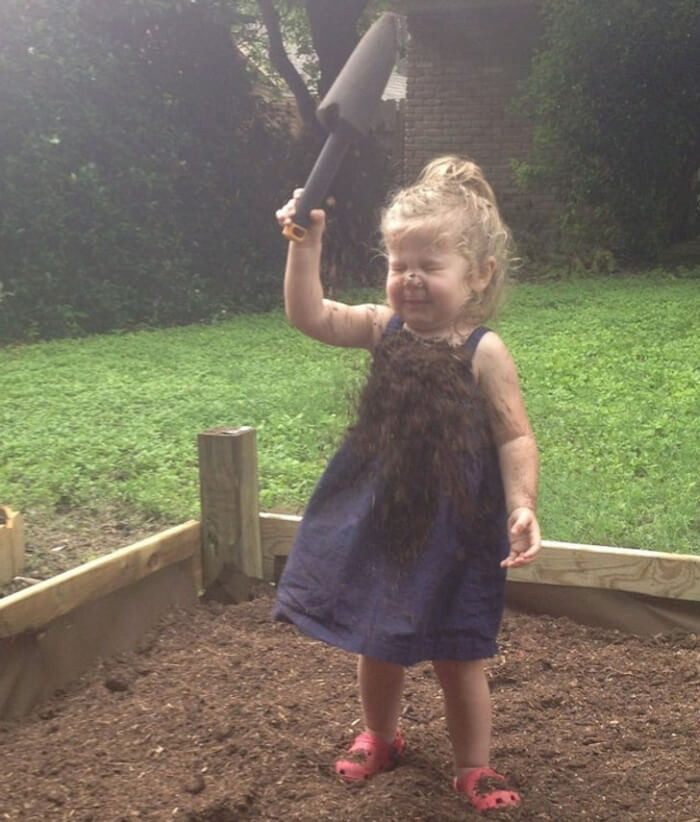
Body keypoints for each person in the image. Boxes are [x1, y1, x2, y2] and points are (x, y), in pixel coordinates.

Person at [273, 156, 541, 813]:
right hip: (386, 517)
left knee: (459, 652)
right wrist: (305, 248)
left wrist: (522, 505)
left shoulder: (482, 350)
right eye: (399, 265)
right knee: (377, 634)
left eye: (429, 266)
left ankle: (473, 767)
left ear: (478, 276)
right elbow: (309, 316)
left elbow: (514, 436)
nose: (410, 280)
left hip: (457, 527)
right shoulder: (378, 328)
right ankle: (380, 736)